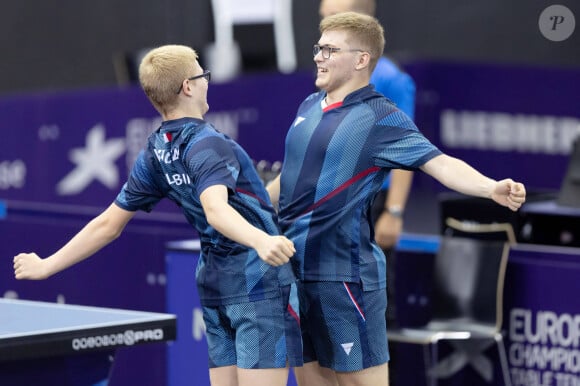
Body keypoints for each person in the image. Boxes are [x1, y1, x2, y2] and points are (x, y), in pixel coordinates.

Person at [12, 44, 302, 386]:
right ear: (188, 86)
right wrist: (263, 240)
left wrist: (47, 264)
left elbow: (107, 225)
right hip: (257, 281)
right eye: (202, 74)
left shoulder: (155, 151)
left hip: (215, 283)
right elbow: (216, 210)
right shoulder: (209, 143)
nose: (207, 81)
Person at [267, 12, 526, 386]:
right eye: (318, 48)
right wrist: (243, 207)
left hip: (344, 278)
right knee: (311, 381)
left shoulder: (380, 117)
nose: (318, 57)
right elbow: (285, 180)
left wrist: (490, 188)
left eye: (329, 49)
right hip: (294, 273)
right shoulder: (308, 105)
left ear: (361, 60)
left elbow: (440, 163)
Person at [320, 0, 414, 327]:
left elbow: (405, 150)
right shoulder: (330, 75)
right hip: (335, 203)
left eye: (333, 18)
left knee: (374, 304)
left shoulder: (392, 80)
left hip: (374, 203)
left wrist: (395, 211)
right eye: (323, 18)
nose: (323, 27)